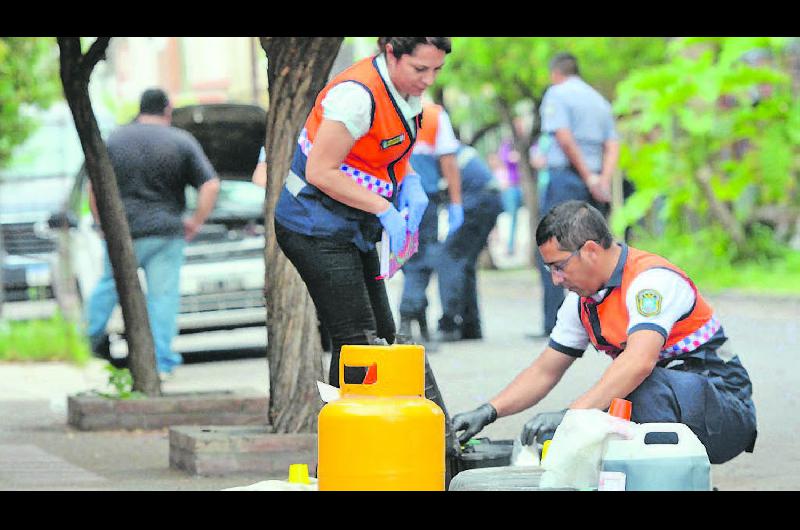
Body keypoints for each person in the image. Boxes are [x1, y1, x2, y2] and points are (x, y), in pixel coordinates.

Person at [451, 201, 757, 465]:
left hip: (726, 410)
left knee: (633, 393)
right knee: (607, 410)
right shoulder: (581, 302)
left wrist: (572, 416)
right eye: (549, 270)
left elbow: (639, 363)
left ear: (590, 251)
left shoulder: (651, 282)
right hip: (673, 401)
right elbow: (545, 370)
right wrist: (488, 411)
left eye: (558, 266)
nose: (555, 280)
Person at [273, 37, 451, 387]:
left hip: (353, 224)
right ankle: (349, 434)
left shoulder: (406, 92)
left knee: (382, 334)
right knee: (356, 338)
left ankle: (377, 428)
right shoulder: (357, 96)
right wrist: (383, 208)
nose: (428, 80)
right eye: (420, 69)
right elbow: (320, 171)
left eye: (436, 70)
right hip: (312, 225)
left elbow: (388, 156)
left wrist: (410, 182)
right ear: (391, 53)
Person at [86, 88, 220, 379]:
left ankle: (83, 345)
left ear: (140, 107)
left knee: (109, 285)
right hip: (165, 233)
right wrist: (195, 222)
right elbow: (210, 185)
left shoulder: (116, 138)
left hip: (123, 233)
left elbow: (94, 186)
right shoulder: (181, 141)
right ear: (167, 110)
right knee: (162, 298)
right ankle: (161, 363)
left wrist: (102, 224)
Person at [535, 52, 620, 338]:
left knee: (554, 250)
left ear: (555, 73)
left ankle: (556, 324)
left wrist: (585, 174)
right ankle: (604, 323)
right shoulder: (598, 100)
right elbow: (612, 143)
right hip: (595, 184)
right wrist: (601, 180)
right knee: (595, 249)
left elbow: (563, 136)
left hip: (567, 180)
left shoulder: (557, 93)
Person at [397, 102, 463, 347]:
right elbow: (448, 161)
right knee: (421, 263)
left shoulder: (385, 106)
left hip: (391, 199)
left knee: (406, 262)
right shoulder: (434, 115)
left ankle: (420, 325)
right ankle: (406, 319)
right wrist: (456, 202)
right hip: (424, 200)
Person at [435, 144, 503, 342]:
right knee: (464, 263)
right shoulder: (454, 145)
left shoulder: (436, 145)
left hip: (476, 201)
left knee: (449, 259)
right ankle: (470, 326)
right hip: (490, 199)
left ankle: (450, 324)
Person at [497, 136, 523, 256]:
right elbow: (503, 160)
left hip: (521, 186)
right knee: (510, 217)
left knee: (517, 219)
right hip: (510, 187)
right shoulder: (507, 145)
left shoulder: (524, 142)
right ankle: (508, 246)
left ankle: (512, 246)